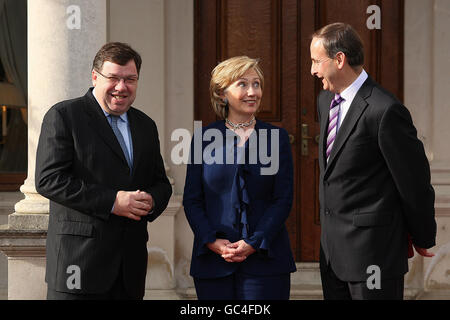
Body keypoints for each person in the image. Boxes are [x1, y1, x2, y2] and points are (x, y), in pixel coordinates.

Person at [35, 42, 172, 300]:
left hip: (129, 270)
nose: (122, 87)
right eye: (113, 78)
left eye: (130, 79)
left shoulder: (145, 125)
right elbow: (49, 180)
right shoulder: (64, 115)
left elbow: (161, 183)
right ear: (95, 76)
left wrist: (152, 200)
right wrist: (112, 202)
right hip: (78, 266)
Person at [310, 23, 436, 300]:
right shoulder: (324, 101)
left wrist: (424, 235)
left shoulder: (385, 110)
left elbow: (413, 182)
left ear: (339, 59)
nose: (313, 70)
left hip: (374, 256)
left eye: (317, 61)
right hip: (332, 256)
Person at [183, 56, 296, 300]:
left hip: (266, 261)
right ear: (222, 93)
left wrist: (255, 242)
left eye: (257, 84)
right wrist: (212, 241)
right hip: (213, 262)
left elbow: (282, 199)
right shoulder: (203, 138)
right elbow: (192, 200)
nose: (252, 92)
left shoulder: (276, 138)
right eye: (242, 84)